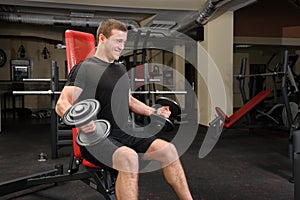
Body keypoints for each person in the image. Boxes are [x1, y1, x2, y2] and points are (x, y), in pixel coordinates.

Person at [56, 18, 193, 200]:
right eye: (118, 41)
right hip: (96, 138)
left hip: (124, 132)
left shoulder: (120, 68)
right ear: (103, 39)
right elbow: (62, 103)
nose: (122, 46)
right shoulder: (85, 68)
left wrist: (154, 111)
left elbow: (129, 100)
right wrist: (81, 121)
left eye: (124, 42)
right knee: (129, 158)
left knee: (169, 150)